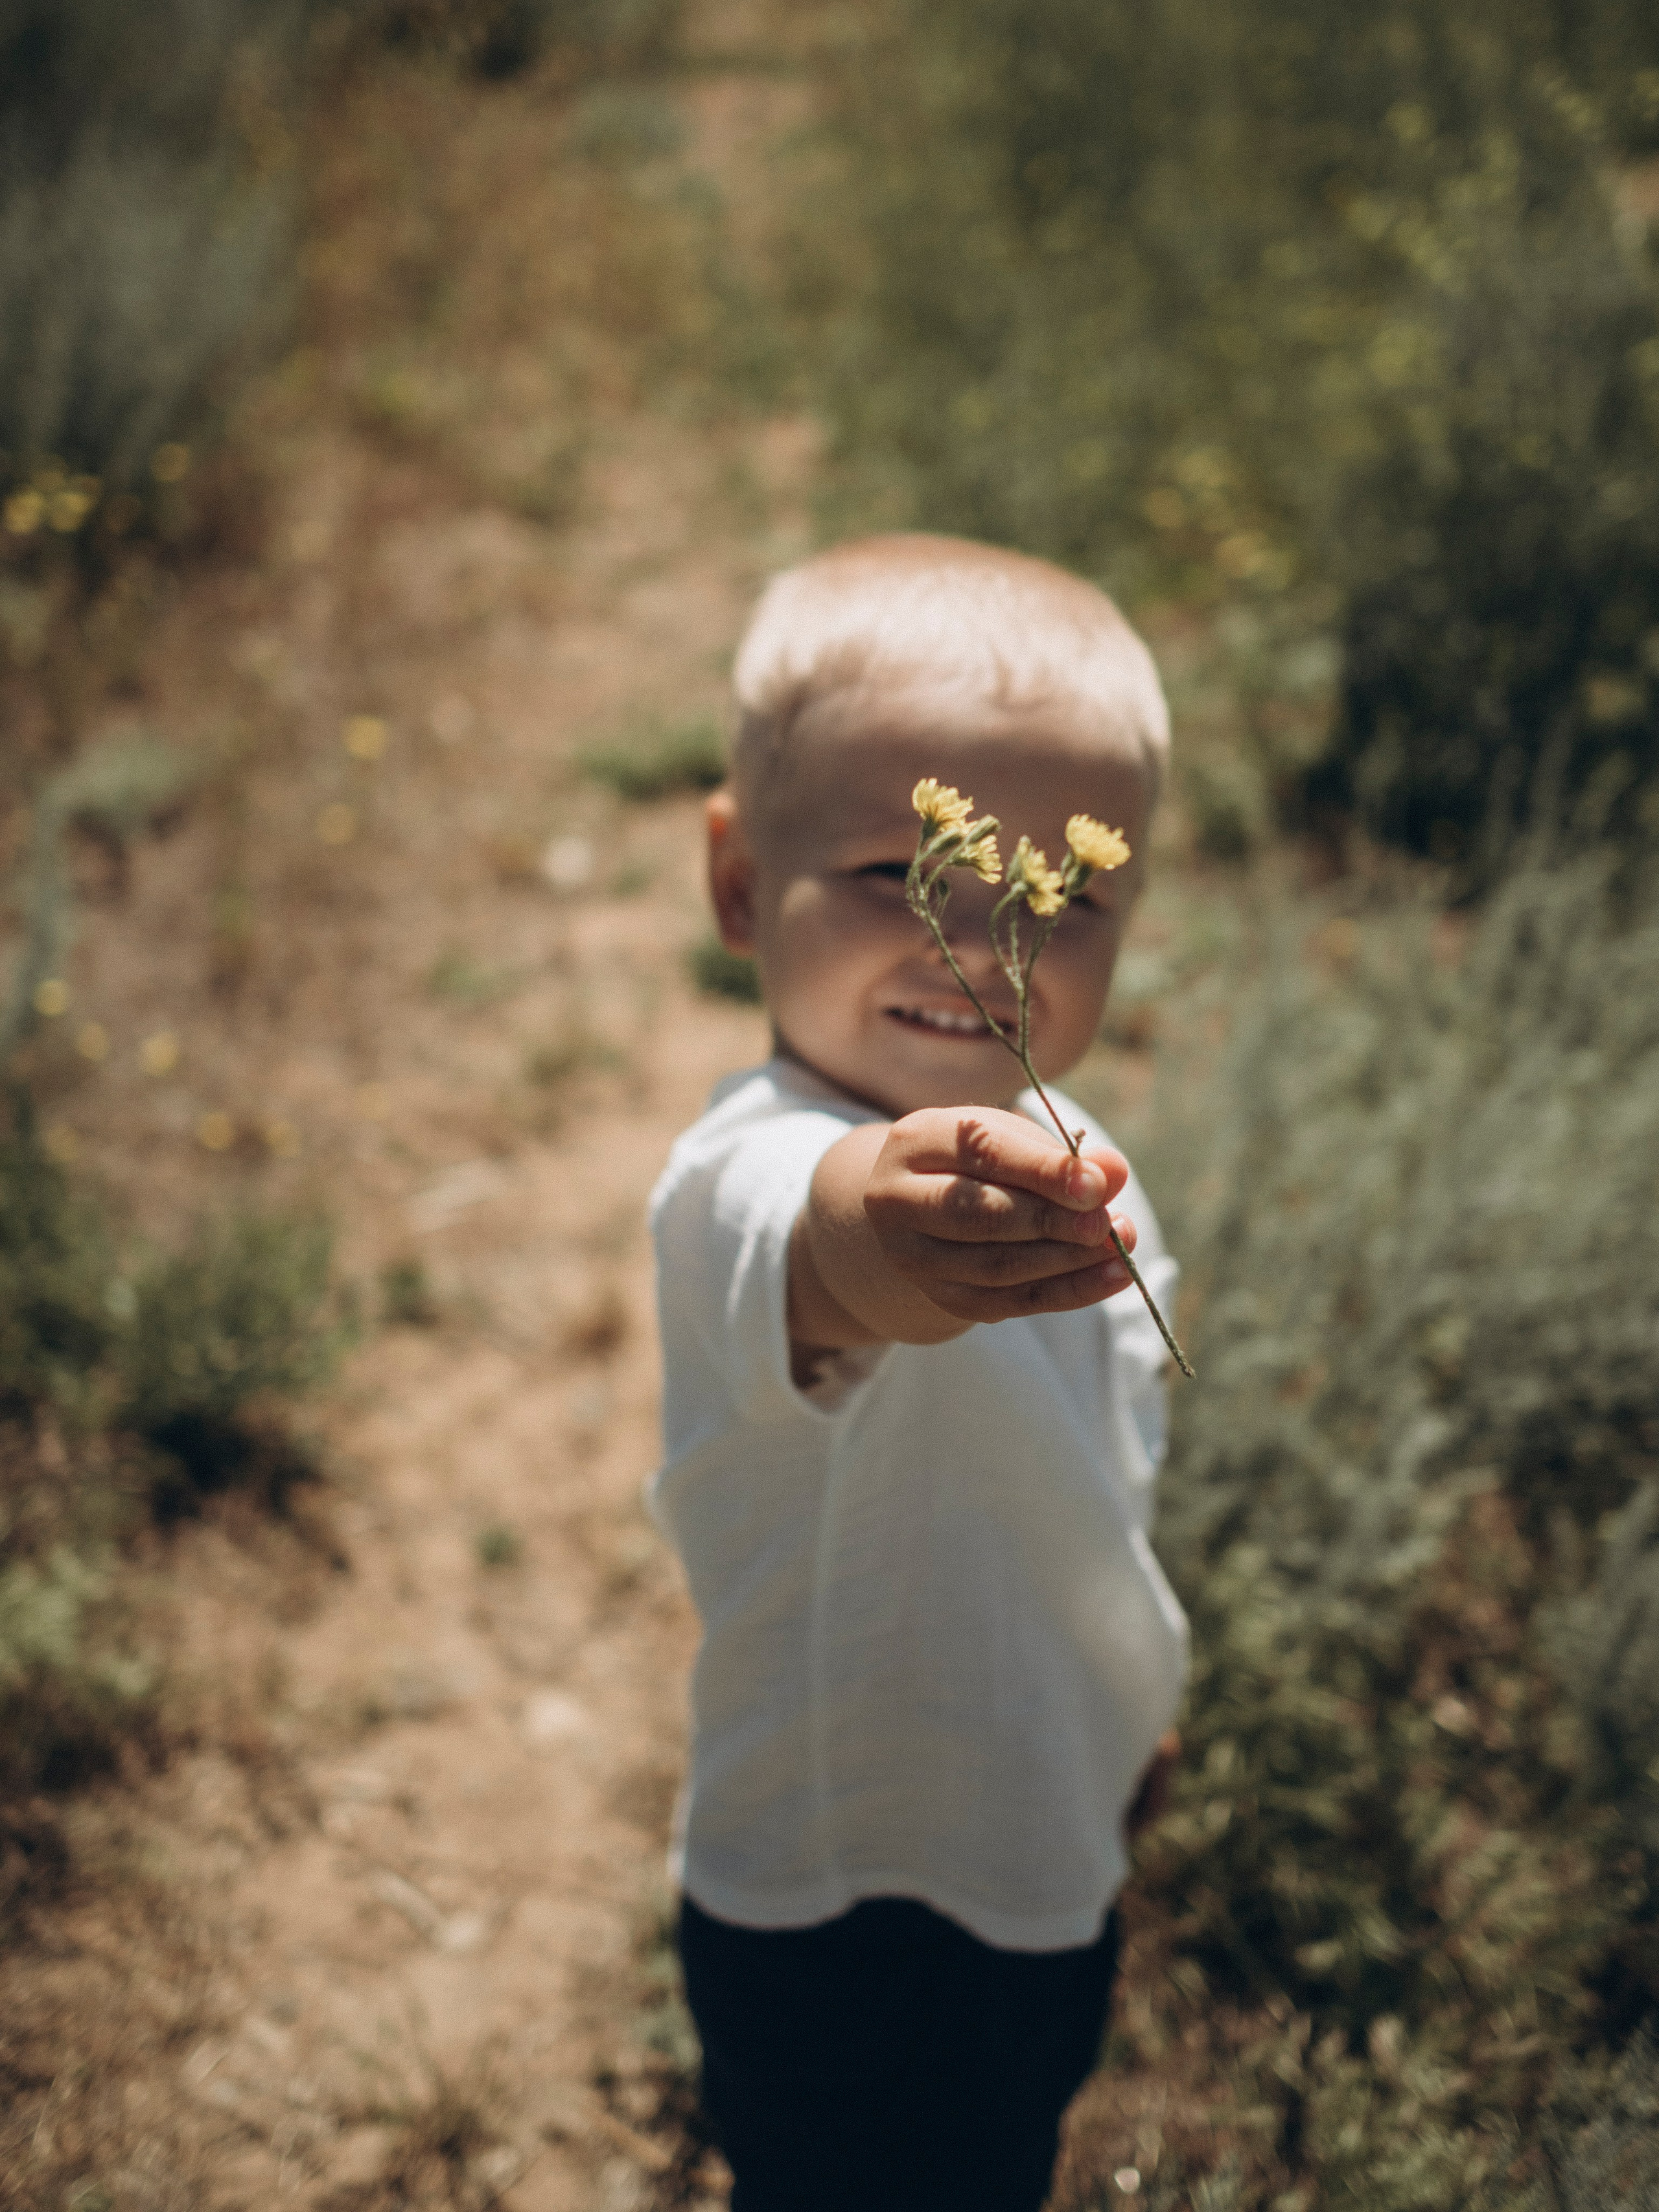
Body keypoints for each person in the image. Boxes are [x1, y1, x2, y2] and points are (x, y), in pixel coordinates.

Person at [648, 533, 1187, 2212]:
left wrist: (1126, 1690)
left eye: (1063, 903)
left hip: (1044, 1852)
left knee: (994, 2163)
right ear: (742, 882)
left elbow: (1097, 1464)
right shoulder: (749, 1173)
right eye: (902, 870)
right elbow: (835, 1250)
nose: (976, 944)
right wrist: (898, 1222)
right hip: (831, 1891)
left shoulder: (1081, 1146)